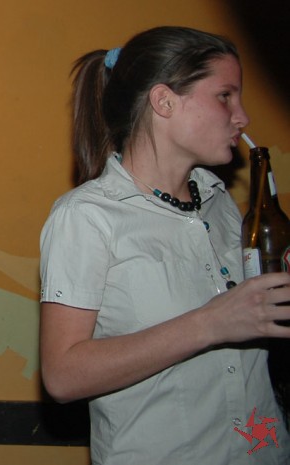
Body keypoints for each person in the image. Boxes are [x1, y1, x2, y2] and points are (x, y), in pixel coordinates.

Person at [39, 26, 290, 464]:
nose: (242, 117)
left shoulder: (220, 202)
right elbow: (62, 376)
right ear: (164, 102)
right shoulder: (86, 216)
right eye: (225, 96)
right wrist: (210, 323)